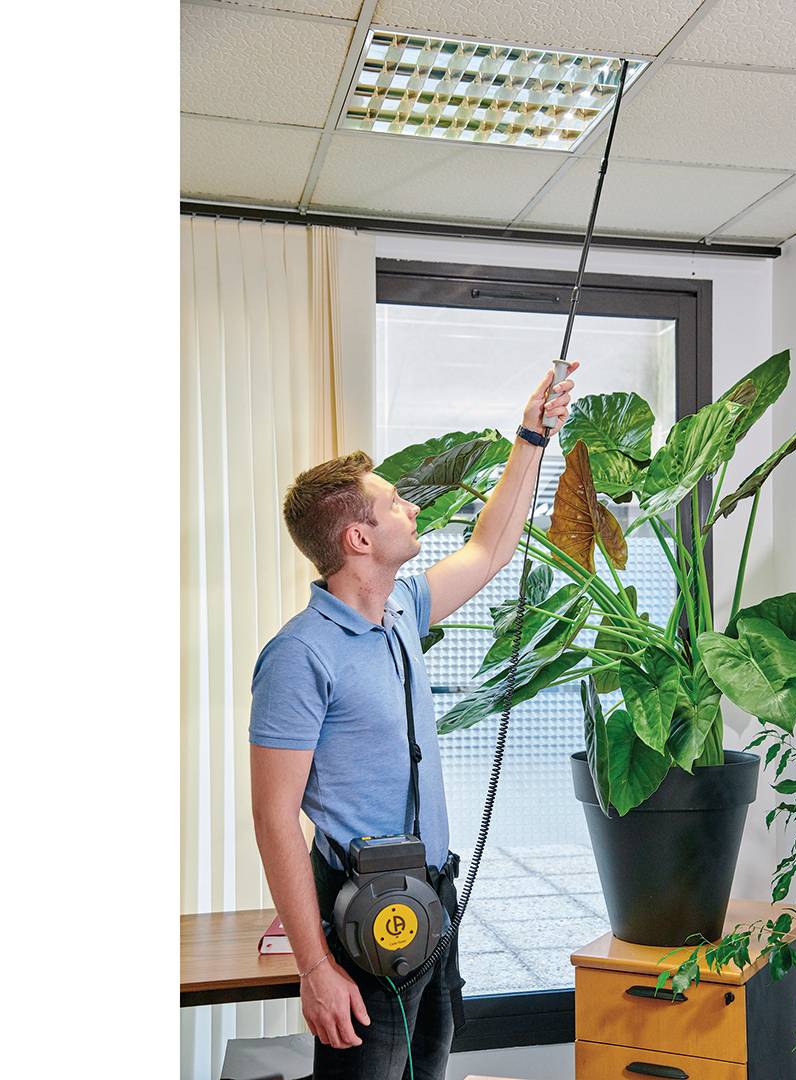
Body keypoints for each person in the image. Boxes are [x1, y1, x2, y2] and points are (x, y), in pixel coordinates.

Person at [249, 363, 578, 1079]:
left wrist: (532, 435)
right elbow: (274, 818)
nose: (414, 511)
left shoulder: (403, 612)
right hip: (361, 912)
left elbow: (490, 549)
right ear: (358, 541)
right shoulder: (299, 656)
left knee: (429, 1070)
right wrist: (314, 969)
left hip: (432, 901)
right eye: (396, 505)